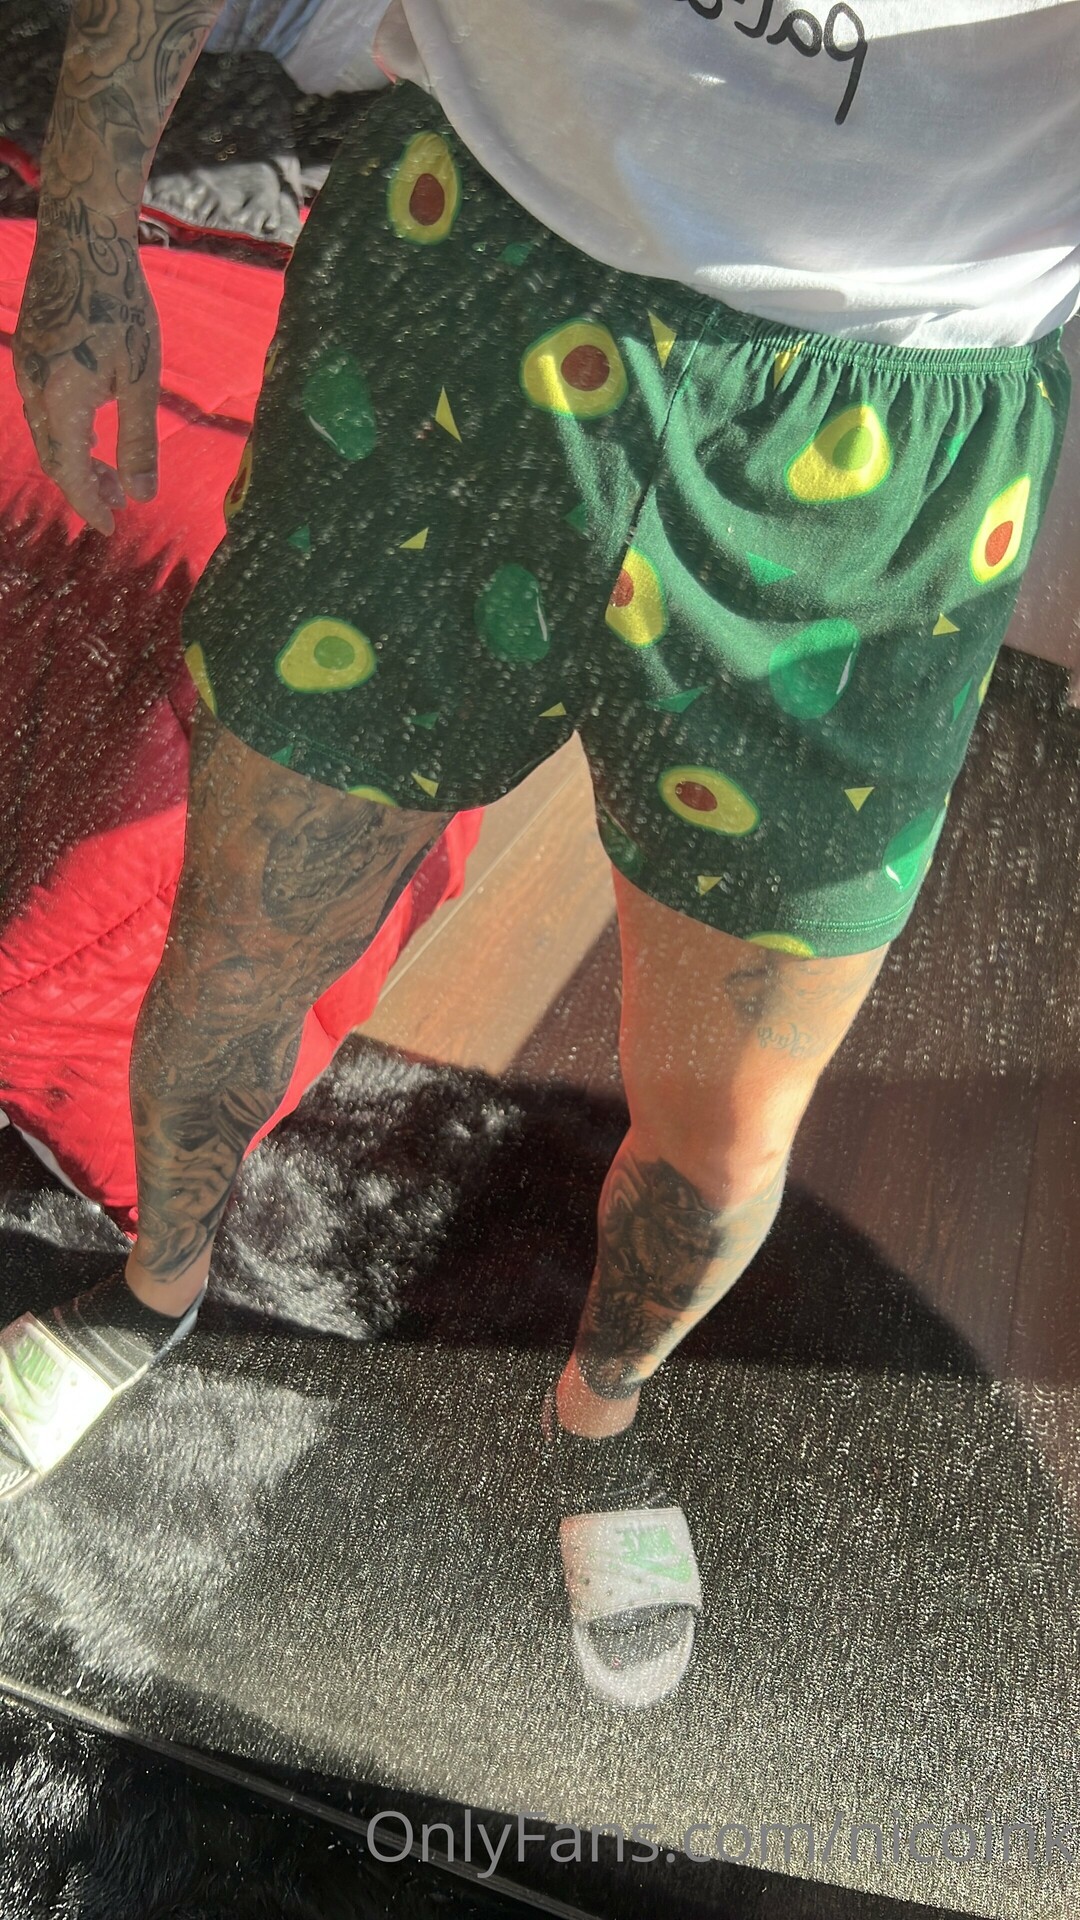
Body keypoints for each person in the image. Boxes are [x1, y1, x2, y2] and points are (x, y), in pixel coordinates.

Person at [4, 0, 1077, 1710]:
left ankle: (598, 1413)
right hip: (459, 277)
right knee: (234, 955)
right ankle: (154, 1288)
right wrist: (80, 226)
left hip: (892, 449)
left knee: (725, 1128)